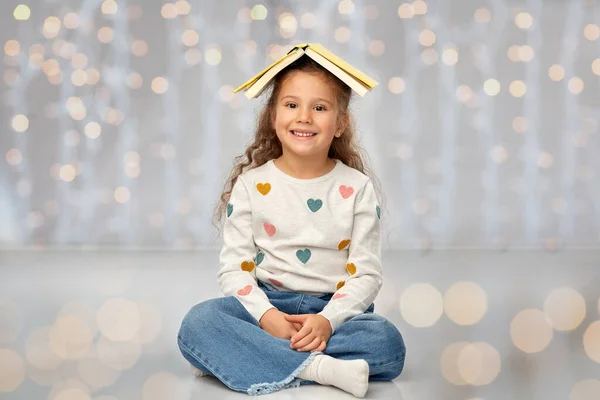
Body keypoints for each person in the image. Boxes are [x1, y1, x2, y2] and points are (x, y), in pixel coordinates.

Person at [177, 43, 406, 398]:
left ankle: (244, 356)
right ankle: (319, 368)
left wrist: (327, 321)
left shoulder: (356, 187)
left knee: (386, 343)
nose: (304, 117)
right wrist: (267, 318)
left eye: (319, 107)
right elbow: (234, 270)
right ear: (273, 115)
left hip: (331, 311)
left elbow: (366, 274)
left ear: (341, 123)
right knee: (199, 323)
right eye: (291, 105)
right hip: (266, 307)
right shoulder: (251, 185)